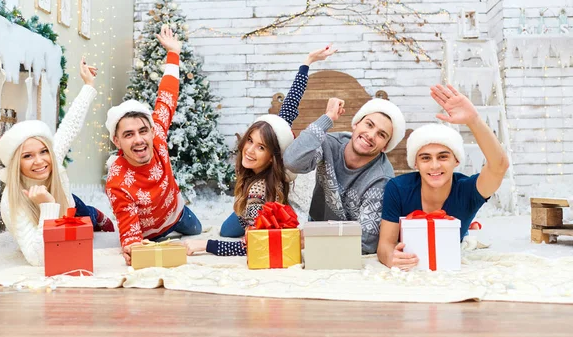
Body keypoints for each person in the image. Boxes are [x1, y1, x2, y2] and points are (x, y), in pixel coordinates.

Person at [183, 45, 337, 256]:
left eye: (261, 147)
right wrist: (307, 62)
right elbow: (290, 105)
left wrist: (205, 245)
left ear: (273, 157)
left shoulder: (259, 190)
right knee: (227, 230)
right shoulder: (274, 139)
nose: (249, 150)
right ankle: (242, 216)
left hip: (261, 208)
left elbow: (252, 246)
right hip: (249, 205)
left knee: (231, 231)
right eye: (250, 141)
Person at [377, 84, 509, 271]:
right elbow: (385, 245)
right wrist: (391, 257)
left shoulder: (467, 190)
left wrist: (474, 120)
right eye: (425, 158)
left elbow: (499, 166)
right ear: (415, 164)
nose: (435, 165)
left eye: (443, 156)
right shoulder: (397, 188)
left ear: (456, 160)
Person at [0, 58, 113, 266]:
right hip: (53, 212)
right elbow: (39, 259)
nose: (40, 161)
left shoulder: (54, 157)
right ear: (17, 164)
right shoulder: (11, 200)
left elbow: (70, 126)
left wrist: (88, 85)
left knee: (88, 218)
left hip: (71, 207)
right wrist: (47, 206)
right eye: (27, 156)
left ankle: (96, 214)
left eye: (43, 151)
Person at [105, 25, 201, 266]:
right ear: (117, 141)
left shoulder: (157, 135)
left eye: (142, 131)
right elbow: (127, 223)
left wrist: (173, 53)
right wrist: (131, 247)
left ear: (150, 132)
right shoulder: (117, 180)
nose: (138, 139)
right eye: (128, 134)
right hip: (149, 235)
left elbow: (167, 95)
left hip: (177, 214)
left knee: (197, 230)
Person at [282, 94, 406, 254]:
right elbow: (292, 161)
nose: (371, 135)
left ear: (385, 146)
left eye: (381, 135)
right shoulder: (329, 144)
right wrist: (327, 118)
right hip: (317, 229)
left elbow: (366, 241)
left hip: (349, 250)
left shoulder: (382, 179)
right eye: (369, 125)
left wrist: (315, 241)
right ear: (355, 124)